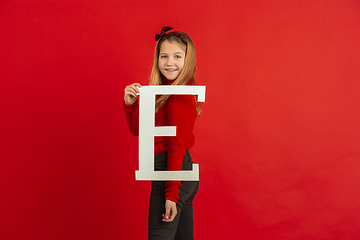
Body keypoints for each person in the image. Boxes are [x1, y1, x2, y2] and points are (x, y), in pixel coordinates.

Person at [123, 26, 202, 240]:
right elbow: (139, 132)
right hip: (174, 171)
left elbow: (176, 145)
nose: (169, 62)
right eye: (164, 56)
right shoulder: (163, 93)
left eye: (177, 56)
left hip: (171, 171)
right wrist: (131, 106)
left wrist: (172, 194)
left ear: (188, 60)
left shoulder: (177, 96)